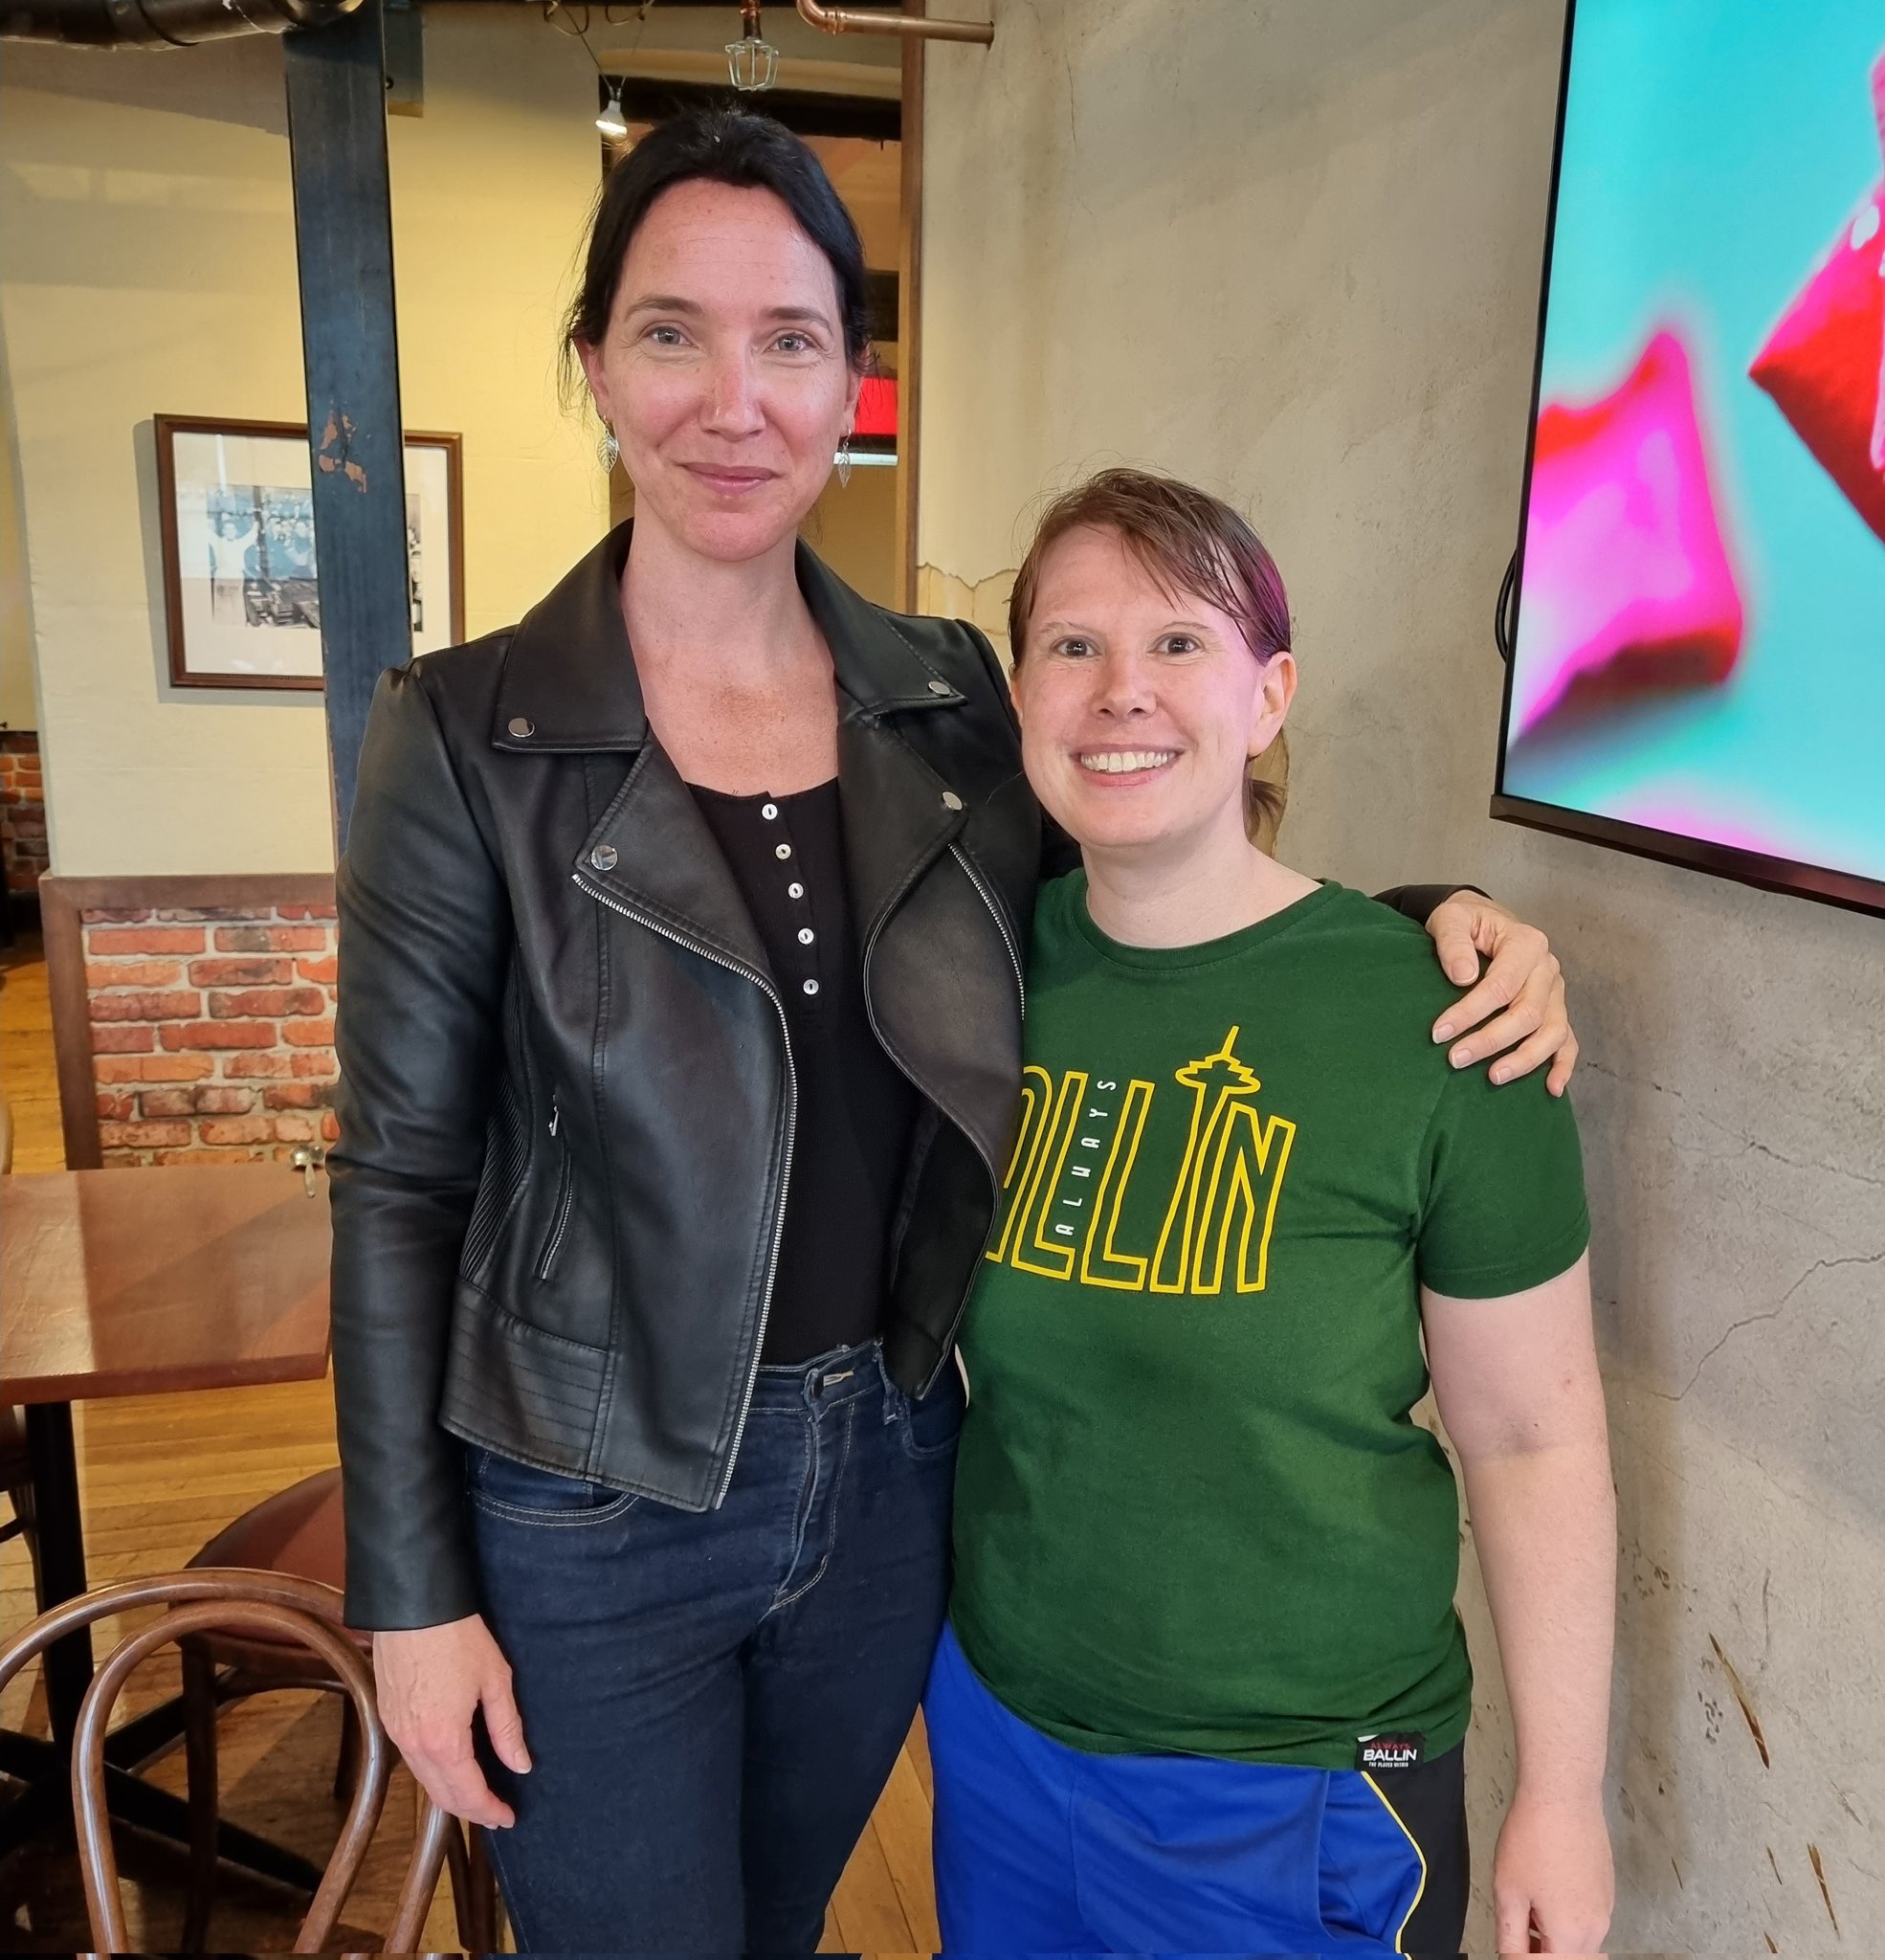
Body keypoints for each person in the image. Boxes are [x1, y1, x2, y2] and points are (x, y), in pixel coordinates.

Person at [329, 113, 1583, 1953]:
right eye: (670, 333)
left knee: (778, 1923)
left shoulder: (942, 704)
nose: (732, 398)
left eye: (790, 338)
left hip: (893, 1470)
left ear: (851, 375)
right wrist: (411, 1590)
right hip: (594, 1503)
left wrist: (1417, 936)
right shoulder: (464, 730)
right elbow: (397, 1182)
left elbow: (1147, 870)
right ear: (594, 365)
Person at [926, 470, 1615, 1957]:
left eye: (1179, 643)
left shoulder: (1447, 1024)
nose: (1123, 694)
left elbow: (1531, 1437)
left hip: (1296, 1786)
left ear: (1268, 692)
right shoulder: (967, 967)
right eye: (1071, 647)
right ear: (1020, 693)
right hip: (999, 1737)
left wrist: (1560, 1794)